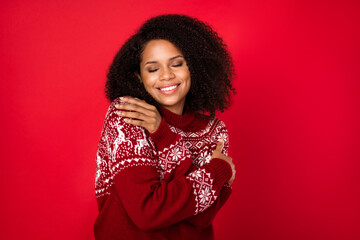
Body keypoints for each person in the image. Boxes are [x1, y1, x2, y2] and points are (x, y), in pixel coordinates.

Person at [94, 14, 236, 239]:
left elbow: (201, 217)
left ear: (194, 67)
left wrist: (163, 135)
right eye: (153, 69)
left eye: (177, 64)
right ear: (138, 77)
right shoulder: (127, 114)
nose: (167, 75)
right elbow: (147, 212)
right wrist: (219, 171)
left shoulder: (214, 131)